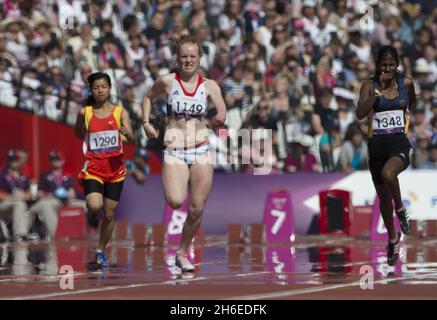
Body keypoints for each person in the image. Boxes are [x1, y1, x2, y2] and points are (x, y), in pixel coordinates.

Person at [142, 35, 226, 272]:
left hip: (200, 149)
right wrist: (146, 122)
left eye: (192, 56)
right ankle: (181, 248)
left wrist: (220, 117)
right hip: (175, 150)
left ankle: (182, 251)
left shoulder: (210, 85)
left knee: (197, 207)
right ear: (178, 59)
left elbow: (221, 110)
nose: (188, 60)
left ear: (200, 58)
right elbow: (148, 97)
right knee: (176, 200)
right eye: (184, 57)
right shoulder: (168, 82)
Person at [356, 45, 416, 266]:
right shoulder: (369, 86)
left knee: (389, 174)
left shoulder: (406, 83)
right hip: (376, 148)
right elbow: (360, 113)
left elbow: (413, 102)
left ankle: (400, 210)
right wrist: (376, 94)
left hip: (400, 143)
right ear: (377, 65)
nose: (387, 68)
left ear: (397, 65)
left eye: (391, 65)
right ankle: (392, 237)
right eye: (384, 65)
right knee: (383, 199)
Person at [74, 72, 135, 267]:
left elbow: (132, 139)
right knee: (94, 206)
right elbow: (77, 133)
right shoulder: (86, 112)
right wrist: (81, 129)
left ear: (110, 89)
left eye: (103, 86)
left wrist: (126, 133)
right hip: (94, 168)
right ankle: (91, 218)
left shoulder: (120, 112)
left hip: (115, 171)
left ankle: (100, 249)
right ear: (91, 90)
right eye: (96, 87)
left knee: (109, 215)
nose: (100, 90)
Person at [37, 150, 87, 239]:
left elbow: (73, 193)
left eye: (58, 159)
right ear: (50, 161)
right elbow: (40, 193)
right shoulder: (45, 176)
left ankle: (87, 231)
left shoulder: (67, 176)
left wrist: (69, 194)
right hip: (52, 201)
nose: (56, 161)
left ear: (63, 161)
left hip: (67, 201)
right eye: (53, 159)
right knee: (52, 204)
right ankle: (57, 234)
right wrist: (51, 195)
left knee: (86, 205)